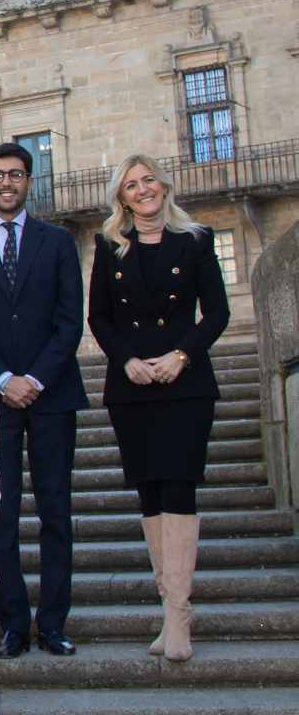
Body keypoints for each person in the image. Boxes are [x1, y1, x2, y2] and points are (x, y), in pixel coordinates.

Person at [87, 153, 229, 662]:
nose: (142, 190)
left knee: (178, 489)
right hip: (134, 388)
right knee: (149, 492)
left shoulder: (196, 240)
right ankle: (168, 610)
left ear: (164, 187)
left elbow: (217, 311)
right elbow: (99, 316)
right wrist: (126, 361)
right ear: (120, 197)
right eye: (131, 185)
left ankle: (179, 617)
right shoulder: (110, 246)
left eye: (148, 180)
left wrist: (182, 354)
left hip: (185, 385)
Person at [0, 143, 88, 660]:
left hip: (52, 396)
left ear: (29, 181)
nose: (6, 183)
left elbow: (69, 321)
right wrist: (5, 378)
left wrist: (34, 379)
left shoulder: (57, 242)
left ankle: (52, 623)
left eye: (15, 174)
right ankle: (12, 622)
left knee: (56, 510)